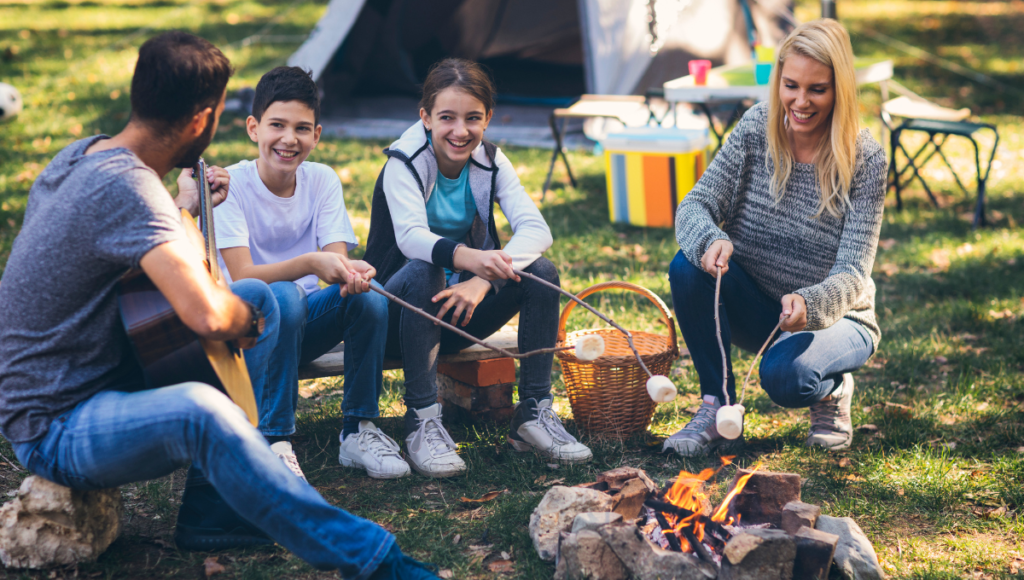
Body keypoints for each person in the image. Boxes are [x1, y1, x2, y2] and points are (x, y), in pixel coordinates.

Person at [0, 31, 435, 579]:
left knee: (239, 310)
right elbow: (208, 314)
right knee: (207, 404)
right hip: (54, 423)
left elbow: (151, 283)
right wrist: (254, 322)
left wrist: (185, 209)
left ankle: (210, 515)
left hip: (83, 382)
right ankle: (378, 562)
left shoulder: (83, 155)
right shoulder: (132, 192)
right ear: (204, 120)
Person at [664, 19, 887, 457]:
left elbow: (854, 272)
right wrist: (710, 241)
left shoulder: (866, 158)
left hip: (839, 318)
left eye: (817, 89)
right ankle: (717, 406)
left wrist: (811, 303)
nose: (800, 102)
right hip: (758, 305)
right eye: (791, 86)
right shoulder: (755, 129)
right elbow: (695, 205)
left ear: (839, 89)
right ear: (778, 81)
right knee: (685, 266)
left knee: (786, 378)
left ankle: (833, 390)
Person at [363, 58, 593, 478]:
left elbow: (537, 230)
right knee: (423, 268)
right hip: (399, 320)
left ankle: (533, 413)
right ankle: (421, 419)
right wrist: (473, 262)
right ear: (425, 118)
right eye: (446, 118)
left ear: (488, 117)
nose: (460, 131)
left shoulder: (489, 159)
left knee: (541, 272)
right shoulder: (404, 162)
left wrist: (482, 281)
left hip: (459, 314)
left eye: (472, 118)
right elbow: (411, 238)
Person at [213, 66, 404, 480]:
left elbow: (335, 265)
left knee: (368, 296)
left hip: (300, 326)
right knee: (282, 295)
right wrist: (310, 263)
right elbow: (244, 273)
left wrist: (350, 272)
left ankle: (359, 429)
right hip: (248, 334)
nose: (289, 139)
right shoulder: (230, 185)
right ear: (253, 128)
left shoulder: (321, 180)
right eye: (276, 125)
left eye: (302, 128)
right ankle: (274, 439)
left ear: (316, 135)